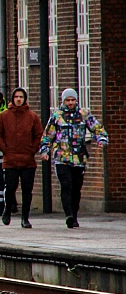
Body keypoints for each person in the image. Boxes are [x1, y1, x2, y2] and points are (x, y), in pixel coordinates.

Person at [39, 88, 109, 228]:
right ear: (63, 101)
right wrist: (45, 150)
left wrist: (101, 139)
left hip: (79, 157)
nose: (70, 103)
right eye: (67, 100)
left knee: (76, 188)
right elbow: (48, 135)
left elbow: (97, 128)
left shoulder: (84, 114)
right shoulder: (57, 116)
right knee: (66, 185)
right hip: (62, 157)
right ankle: (68, 214)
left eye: (72, 100)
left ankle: (75, 214)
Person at [0, 87, 43, 228]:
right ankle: (7, 209)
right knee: (10, 188)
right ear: (12, 99)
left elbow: (38, 135)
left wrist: (32, 150)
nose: (19, 99)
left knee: (27, 190)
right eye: (16, 97)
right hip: (10, 159)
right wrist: (5, 150)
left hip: (28, 160)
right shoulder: (4, 116)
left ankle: (25, 217)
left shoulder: (32, 116)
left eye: (21, 97)